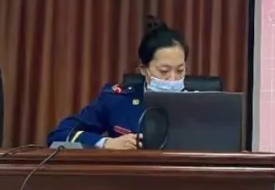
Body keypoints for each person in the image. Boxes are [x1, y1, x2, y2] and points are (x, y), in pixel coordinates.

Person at [46, 16, 188, 149]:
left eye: (180, 70)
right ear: (144, 69)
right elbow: (59, 136)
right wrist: (106, 143)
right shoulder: (117, 100)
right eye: (164, 71)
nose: (173, 79)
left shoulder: (197, 103)